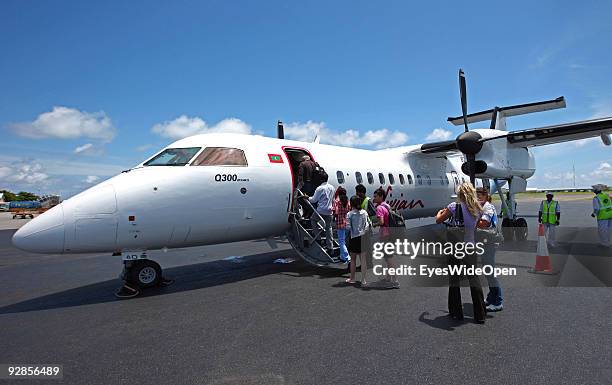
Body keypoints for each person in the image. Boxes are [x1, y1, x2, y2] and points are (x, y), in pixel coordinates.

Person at [435, 182, 486, 324]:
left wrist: (440, 212)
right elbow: (475, 227)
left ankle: (456, 312)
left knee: (454, 279)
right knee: (474, 279)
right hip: (471, 247)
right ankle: (480, 313)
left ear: (460, 194)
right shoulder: (477, 208)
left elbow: (439, 220)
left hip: (456, 248)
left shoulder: (453, 207)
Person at [476, 187, 503, 312]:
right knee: (488, 272)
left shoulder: (488, 207)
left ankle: (498, 302)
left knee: (490, 273)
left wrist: (471, 221)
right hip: (484, 241)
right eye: (476, 195)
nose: (478, 197)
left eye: (480, 195)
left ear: (486, 196)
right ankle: (492, 297)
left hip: (489, 242)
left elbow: (484, 224)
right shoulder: (482, 207)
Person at [372, 187, 400, 289]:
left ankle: (395, 280)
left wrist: (374, 223)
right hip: (392, 233)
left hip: (385, 235)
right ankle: (388, 278)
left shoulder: (379, 208)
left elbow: (382, 222)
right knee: (388, 256)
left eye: (375, 196)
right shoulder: (387, 206)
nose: (374, 198)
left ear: (381, 197)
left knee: (389, 258)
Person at [346, 195, 370, 286]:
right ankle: (363, 280)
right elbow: (367, 225)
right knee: (363, 260)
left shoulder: (350, 214)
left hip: (354, 238)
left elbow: (348, 227)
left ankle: (352, 278)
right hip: (363, 237)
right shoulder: (364, 212)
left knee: (353, 259)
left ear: (351, 204)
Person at [308, 172, 335, 251]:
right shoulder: (332, 187)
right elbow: (333, 200)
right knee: (328, 228)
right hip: (330, 211)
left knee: (313, 220)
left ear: (321, 179)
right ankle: (330, 246)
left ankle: (318, 238)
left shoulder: (320, 188)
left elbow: (313, 200)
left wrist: (307, 197)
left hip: (321, 211)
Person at [333, 186, 351, 262]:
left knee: (341, 241)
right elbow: (349, 209)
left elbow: (335, 212)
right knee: (344, 240)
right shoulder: (347, 201)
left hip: (340, 223)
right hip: (347, 223)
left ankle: (346, 256)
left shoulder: (337, 201)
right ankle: (342, 256)